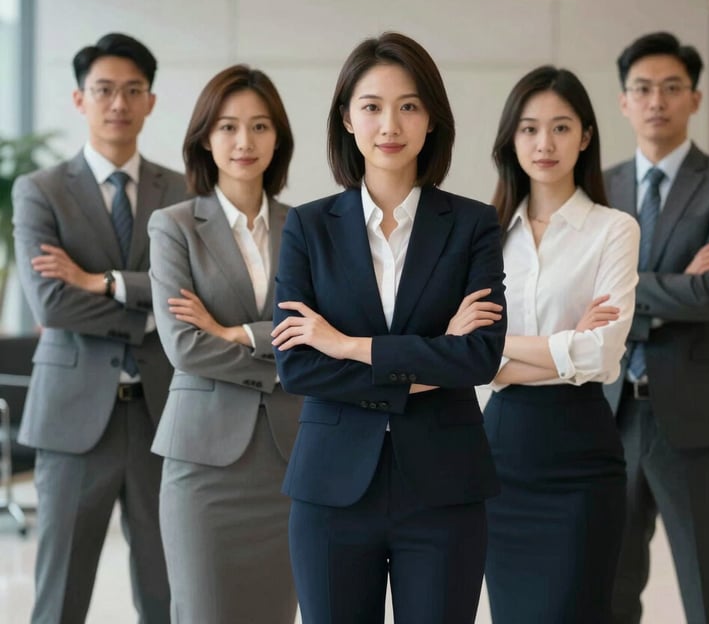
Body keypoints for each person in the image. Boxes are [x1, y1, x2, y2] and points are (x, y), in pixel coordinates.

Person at [270, 31, 507, 624]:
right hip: (331, 490)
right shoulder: (308, 226)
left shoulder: (474, 224)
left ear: (432, 119)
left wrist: (348, 345)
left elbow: (479, 357)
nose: (389, 124)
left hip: (445, 491)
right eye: (371, 106)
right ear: (347, 119)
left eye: (408, 106)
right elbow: (297, 364)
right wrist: (429, 358)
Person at [12, 33, 187, 623]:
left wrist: (100, 281)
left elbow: (192, 298)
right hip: (71, 419)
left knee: (167, 593)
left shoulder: (183, 193)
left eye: (132, 90)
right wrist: (151, 302)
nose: (119, 103)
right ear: (79, 99)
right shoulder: (40, 191)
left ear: (151, 101)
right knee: (60, 595)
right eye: (104, 90)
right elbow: (53, 305)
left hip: (162, 416)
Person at [604, 31, 709, 624]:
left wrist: (626, 286)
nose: (656, 101)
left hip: (696, 418)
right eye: (642, 89)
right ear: (624, 101)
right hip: (611, 413)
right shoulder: (601, 185)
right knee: (610, 585)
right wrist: (672, 283)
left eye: (672, 88)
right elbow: (582, 294)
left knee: (708, 586)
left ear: (695, 98)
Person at [477, 65, 640, 623]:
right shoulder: (484, 235)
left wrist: (504, 351)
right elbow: (471, 361)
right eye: (528, 129)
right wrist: (565, 346)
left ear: (586, 136)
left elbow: (604, 356)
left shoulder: (614, 229)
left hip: (581, 459)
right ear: (510, 139)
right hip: (502, 458)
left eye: (561, 127)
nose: (544, 143)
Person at [147, 64, 302, 624]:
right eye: (229, 126)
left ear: (277, 139)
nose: (244, 141)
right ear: (205, 138)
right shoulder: (174, 227)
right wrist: (282, 360)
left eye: (260, 126)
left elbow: (321, 337)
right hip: (203, 466)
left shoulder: (308, 227)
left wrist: (236, 333)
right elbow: (185, 347)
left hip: (290, 461)